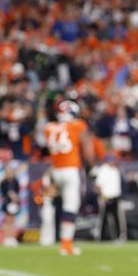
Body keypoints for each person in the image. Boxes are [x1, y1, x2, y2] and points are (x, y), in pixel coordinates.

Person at [42, 99, 92, 256]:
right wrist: (92, 167)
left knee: (54, 204)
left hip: (56, 170)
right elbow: (87, 149)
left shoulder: (49, 127)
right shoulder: (78, 125)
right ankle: (66, 244)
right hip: (71, 169)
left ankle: (53, 238)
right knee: (71, 206)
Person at [91, 153, 125, 242]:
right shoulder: (103, 170)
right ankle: (102, 237)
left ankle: (118, 237)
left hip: (115, 196)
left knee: (116, 218)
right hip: (106, 197)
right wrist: (102, 196)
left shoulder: (116, 170)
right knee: (104, 218)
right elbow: (98, 185)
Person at [0, 165, 22, 247]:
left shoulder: (15, 181)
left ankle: (12, 238)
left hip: (14, 204)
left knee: (13, 221)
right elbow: (3, 193)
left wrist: (15, 197)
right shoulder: (3, 182)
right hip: (7, 203)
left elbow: (17, 191)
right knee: (7, 221)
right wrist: (10, 195)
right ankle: (6, 238)